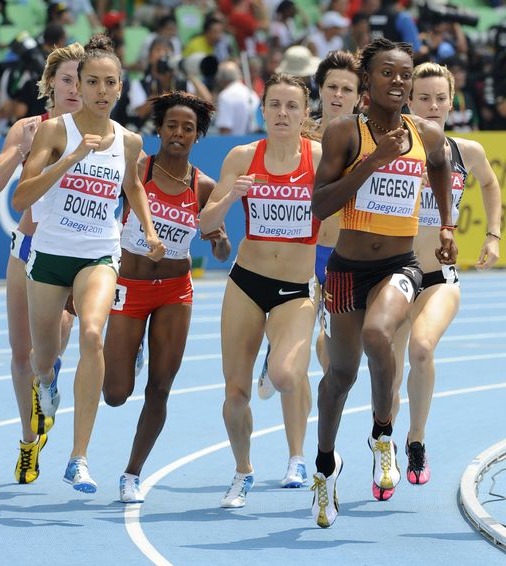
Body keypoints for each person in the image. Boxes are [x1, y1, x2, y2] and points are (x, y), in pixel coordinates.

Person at [309, 38, 456, 528]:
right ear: (366, 82)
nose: (398, 81)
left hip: (400, 264)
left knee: (379, 334)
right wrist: (374, 161)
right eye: (387, 73)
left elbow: (439, 168)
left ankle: (383, 435)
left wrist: (449, 227)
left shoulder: (426, 134)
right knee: (340, 375)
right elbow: (320, 205)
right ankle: (325, 466)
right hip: (348, 270)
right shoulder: (343, 134)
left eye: (404, 74)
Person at [12, 34, 165, 494]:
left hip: (98, 252)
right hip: (49, 256)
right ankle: (45, 383)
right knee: (43, 358)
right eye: (93, 81)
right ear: (79, 83)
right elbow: (22, 196)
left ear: (121, 89)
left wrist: (150, 230)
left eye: (110, 82)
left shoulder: (129, 140)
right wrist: (72, 158)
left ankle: (78, 457)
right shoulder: (56, 131)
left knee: (93, 334)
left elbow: (134, 185)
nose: (101, 90)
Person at [199, 73, 323, 507]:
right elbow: (205, 225)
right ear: (262, 110)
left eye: (292, 106)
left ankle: (297, 451)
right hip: (247, 282)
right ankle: (242, 471)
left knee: (288, 377)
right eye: (274, 105)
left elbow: (343, 219)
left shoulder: (320, 159)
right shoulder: (242, 156)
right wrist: (230, 196)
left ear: (306, 113)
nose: (283, 114)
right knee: (235, 393)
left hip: (296, 289)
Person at [102, 91, 230, 503]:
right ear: (160, 129)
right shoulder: (138, 168)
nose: (178, 133)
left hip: (175, 291)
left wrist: (219, 243)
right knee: (115, 394)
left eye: (188, 128)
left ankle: (132, 473)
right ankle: (133, 348)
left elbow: (219, 242)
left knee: (160, 386)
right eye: (172, 125)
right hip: (129, 287)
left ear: (198, 136)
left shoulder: (204, 186)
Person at [391, 61, 501, 485]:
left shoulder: (465, 151)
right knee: (390, 371)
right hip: (394, 271)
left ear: (452, 103)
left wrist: (492, 236)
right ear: (408, 100)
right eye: (424, 98)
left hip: (439, 274)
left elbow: (490, 184)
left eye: (440, 98)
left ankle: (416, 440)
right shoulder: (390, 145)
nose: (432, 106)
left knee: (421, 349)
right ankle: (385, 441)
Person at [0, 42, 84, 485]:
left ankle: (51, 371)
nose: (76, 88)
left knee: (59, 329)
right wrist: (16, 153)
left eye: (85, 80)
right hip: (28, 248)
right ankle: (28, 442)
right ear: (51, 85)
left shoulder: (105, 133)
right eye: (67, 79)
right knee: (19, 353)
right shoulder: (28, 127)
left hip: (75, 252)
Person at [257, 49, 361, 396]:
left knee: (332, 352)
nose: (338, 95)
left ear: (359, 97)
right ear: (320, 89)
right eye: (332, 87)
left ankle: (326, 423)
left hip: (343, 254)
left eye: (347, 90)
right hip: (303, 250)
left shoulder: (366, 141)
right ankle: (276, 352)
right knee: (293, 336)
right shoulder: (300, 135)